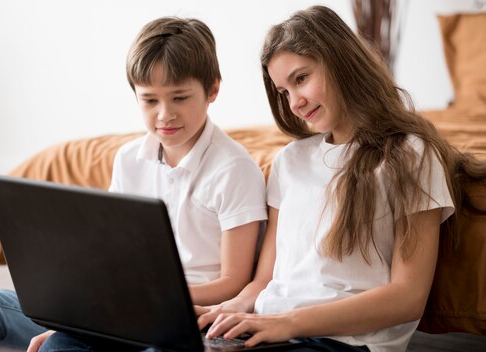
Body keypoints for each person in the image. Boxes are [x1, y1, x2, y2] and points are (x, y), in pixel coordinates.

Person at [0, 16, 268, 352]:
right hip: (115, 311)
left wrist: (149, 300)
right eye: (150, 100)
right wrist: (84, 307)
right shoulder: (129, 159)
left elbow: (233, 282)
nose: (165, 114)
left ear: (212, 90)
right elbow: (114, 257)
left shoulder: (234, 169)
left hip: (185, 319)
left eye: (179, 98)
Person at [195, 5, 486, 352]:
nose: (295, 104)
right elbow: (265, 280)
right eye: (283, 91)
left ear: (339, 62)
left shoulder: (408, 155)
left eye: (301, 79)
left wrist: (286, 323)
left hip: (340, 342)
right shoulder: (289, 159)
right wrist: (226, 310)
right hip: (273, 331)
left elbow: (407, 297)